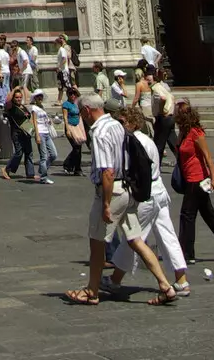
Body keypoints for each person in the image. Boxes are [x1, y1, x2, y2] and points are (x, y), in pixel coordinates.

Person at [66, 93, 177, 305]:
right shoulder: (117, 125)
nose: (82, 117)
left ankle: (92, 290)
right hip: (127, 189)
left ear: (87, 110)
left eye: (81, 112)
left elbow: (107, 171)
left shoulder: (99, 132)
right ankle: (165, 285)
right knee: (135, 239)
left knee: (97, 241)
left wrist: (106, 204)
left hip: (112, 191)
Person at [104, 106, 189, 298]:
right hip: (158, 191)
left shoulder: (133, 142)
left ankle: (116, 279)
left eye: (123, 122)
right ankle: (181, 280)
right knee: (167, 236)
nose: (120, 126)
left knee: (133, 238)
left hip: (146, 193)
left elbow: (137, 172)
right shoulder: (146, 140)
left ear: (133, 123)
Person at [174, 101, 214, 263]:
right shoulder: (184, 133)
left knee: (187, 215)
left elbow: (207, 156)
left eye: (178, 114)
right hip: (190, 178)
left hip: (197, 179)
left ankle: (187, 254)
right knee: (210, 216)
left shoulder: (196, 133)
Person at [1, 86, 36, 183]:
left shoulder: (23, 107)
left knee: (29, 153)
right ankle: (7, 169)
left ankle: (30, 173)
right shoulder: (11, 107)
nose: (18, 99)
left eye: (20, 97)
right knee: (18, 152)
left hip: (26, 132)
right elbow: (7, 100)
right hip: (17, 133)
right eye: (16, 97)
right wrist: (14, 89)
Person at [31, 91, 57, 183]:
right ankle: (43, 177)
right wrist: (37, 135)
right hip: (40, 133)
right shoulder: (34, 108)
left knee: (54, 154)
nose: (40, 98)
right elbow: (34, 121)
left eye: (41, 96)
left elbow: (44, 119)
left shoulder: (42, 107)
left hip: (46, 132)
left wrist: (49, 121)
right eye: (38, 97)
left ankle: (43, 169)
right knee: (44, 156)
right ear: (35, 98)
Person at [61, 85, 84, 177]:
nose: (72, 96)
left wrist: (76, 90)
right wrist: (67, 130)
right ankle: (67, 164)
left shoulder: (76, 103)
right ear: (67, 95)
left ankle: (77, 169)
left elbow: (81, 97)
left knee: (79, 148)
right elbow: (65, 117)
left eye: (74, 94)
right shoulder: (66, 104)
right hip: (70, 126)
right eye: (70, 94)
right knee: (76, 148)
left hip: (77, 127)